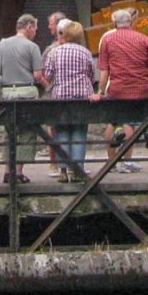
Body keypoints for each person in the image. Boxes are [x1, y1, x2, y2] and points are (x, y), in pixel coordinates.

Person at [95, 7, 148, 172]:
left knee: (116, 119)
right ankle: (145, 129)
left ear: (114, 23)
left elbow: (104, 70)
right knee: (142, 111)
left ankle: (118, 135)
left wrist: (100, 92)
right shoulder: (143, 39)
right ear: (131, 22)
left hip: (118, 91)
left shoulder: (107, 40)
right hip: (142, 90)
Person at [0, 14, 47, 183]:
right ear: (29, 26)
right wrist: (48, 86)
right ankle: (18, 173)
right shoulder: (32, 47)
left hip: (7, 92)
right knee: (27, 132)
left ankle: (7, 171)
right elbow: (37, 75)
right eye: (35, 29)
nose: (35, 32)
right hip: (27, 92)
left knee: (10, 132)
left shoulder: (2, 44)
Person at [43, 20, 99, 181]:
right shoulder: (86, 53)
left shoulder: (54, 52)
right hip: (82, 98)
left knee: (61, 133)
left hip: (60, 97)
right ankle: (77, 170)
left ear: (65, 35)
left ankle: (63, 171)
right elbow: (92, 76)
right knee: (79, 133)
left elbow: (47, 75)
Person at [42, 11, 68, 178]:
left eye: (51, 23)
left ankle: (64, 165)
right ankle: (54, 164)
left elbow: (44, 73)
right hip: (57, 93)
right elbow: (43, 73)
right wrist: (49, 87)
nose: (48, 27)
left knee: (59, 129)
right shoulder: (50, 49)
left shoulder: (52, 50)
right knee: (53, 128)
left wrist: (50, 86)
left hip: (58, 92)